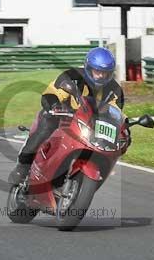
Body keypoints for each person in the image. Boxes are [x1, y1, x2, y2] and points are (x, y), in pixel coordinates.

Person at [8, 46, 124, 185]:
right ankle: (23, 166)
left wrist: (124, 128)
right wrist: (56, 106)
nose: (101, 76)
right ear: (88, 68)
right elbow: (51, 94)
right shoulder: (71, 76)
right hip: (61, 117)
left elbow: (115, 114)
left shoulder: (115, 90)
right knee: (45, 128)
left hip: (88, 125)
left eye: (105, 73)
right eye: (98, 71)